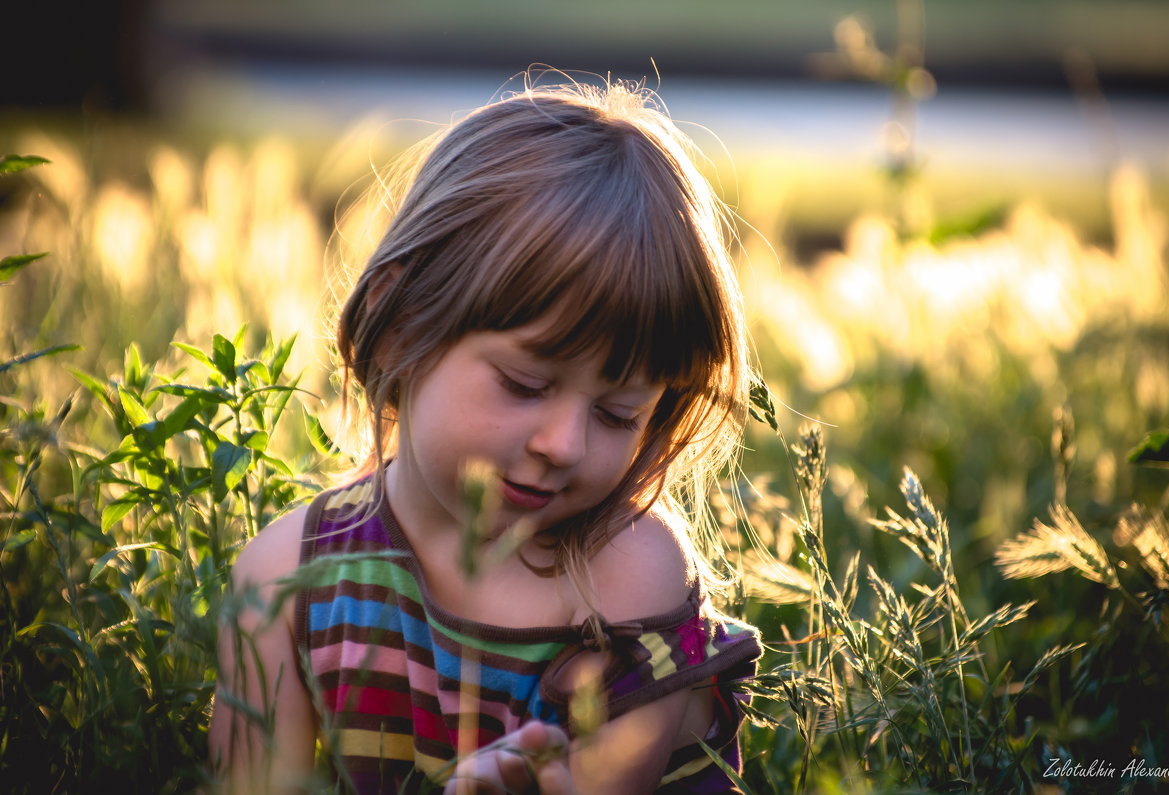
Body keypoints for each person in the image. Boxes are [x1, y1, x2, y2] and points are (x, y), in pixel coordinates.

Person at [209, 76, 762, 795]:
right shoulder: (287, 582)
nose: (563, 443)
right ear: (403, 321)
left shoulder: (628, 578)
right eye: (525, 385)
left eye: (617, 413)